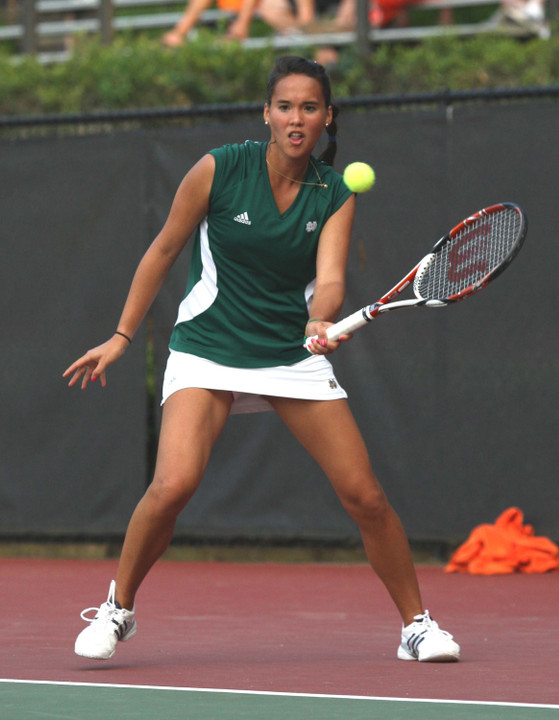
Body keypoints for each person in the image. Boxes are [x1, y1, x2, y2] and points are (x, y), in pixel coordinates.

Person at [63, 55, 460, 664]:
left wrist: (320, 318)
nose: (295, 118)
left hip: (287, 353)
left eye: (309, 107)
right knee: (173, 485)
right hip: (208, 346)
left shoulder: (334, 193)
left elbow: (328, 279)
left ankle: (417, 626)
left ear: (328, 117)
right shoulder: (219, 169)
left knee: (366, 496)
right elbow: (164, 248)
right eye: (284, 106)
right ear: (266, 113)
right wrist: (122, 335)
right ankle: (118, 607)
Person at [161, 0, 315, 46]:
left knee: (273, 7)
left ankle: (308, 40)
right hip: (236, 13)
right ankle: (180, 33)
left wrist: (242, 24)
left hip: (275, 12)